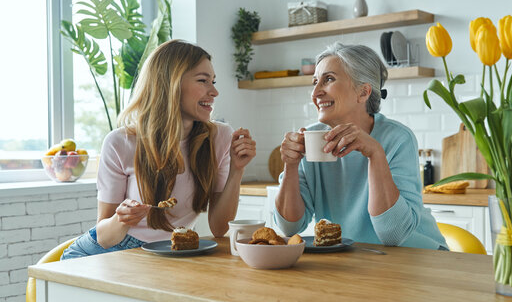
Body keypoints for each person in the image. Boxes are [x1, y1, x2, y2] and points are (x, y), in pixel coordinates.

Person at [62, 40, 256, 259]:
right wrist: (121, 218)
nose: (214, 92)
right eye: (203, 81)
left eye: (213, 81)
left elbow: (219, 228)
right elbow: (105, 237)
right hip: (107, 253)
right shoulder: (120, 142)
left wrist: (237, 170)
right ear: (170, 83)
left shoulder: (219, 137)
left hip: (171, 250)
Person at [275, 42, 447, 250]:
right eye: (315, 82)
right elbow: (289, 227)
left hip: (417, 256)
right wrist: (290, 165)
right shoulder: (311, 139)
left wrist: (375, 154)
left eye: (328, 79)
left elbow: (394, 235)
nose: (316, 92)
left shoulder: (397, 138)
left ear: (363, 92)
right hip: (354, 259)